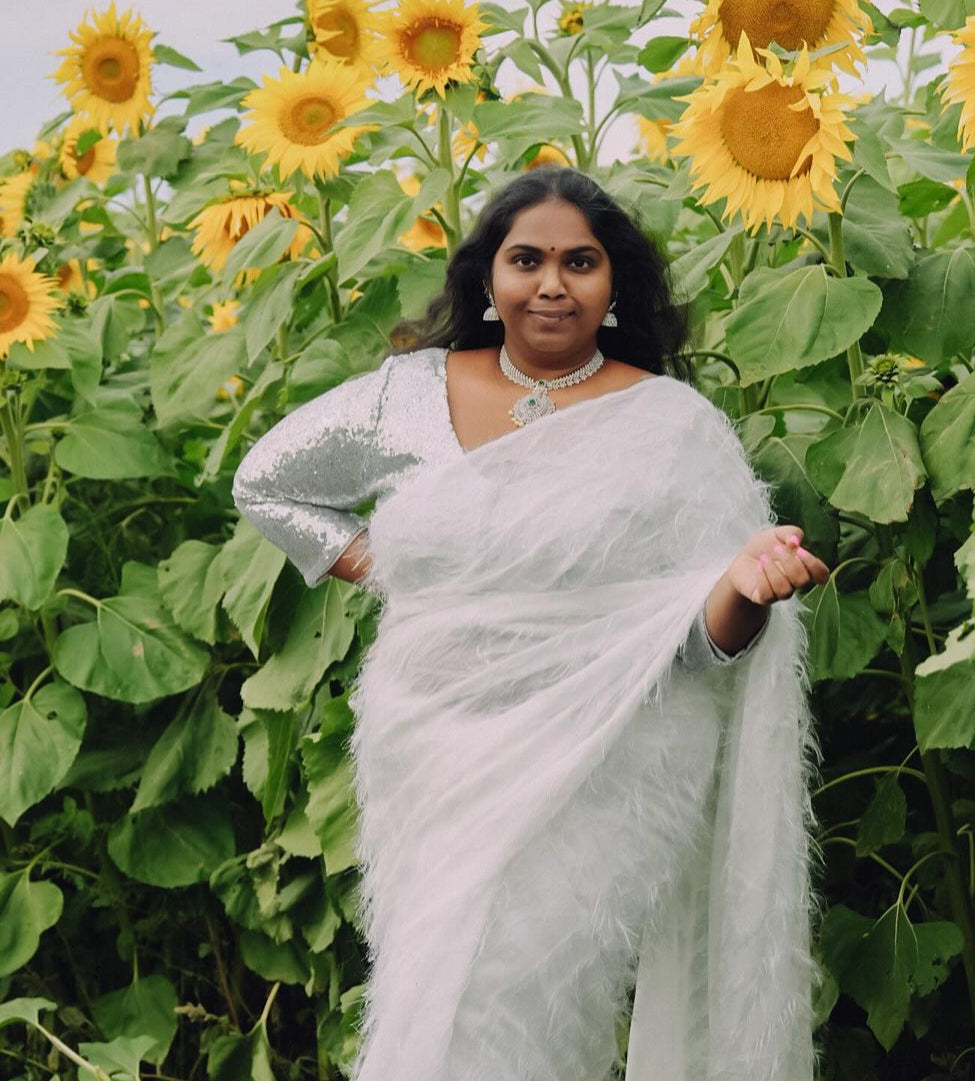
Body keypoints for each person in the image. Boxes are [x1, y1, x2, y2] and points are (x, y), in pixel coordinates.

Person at [232, 166, 829, 1081]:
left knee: (523, 985)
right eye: (527, 260)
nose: (552, 283)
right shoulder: (410, 393)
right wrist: (409, 574)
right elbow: (266, 481)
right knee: (442, 982)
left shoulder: (671, 426)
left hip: (610, 758)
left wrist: (746, 585)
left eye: (580, 262)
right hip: (435, 749)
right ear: (486, 279)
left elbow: (702, 643)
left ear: (614, 283)